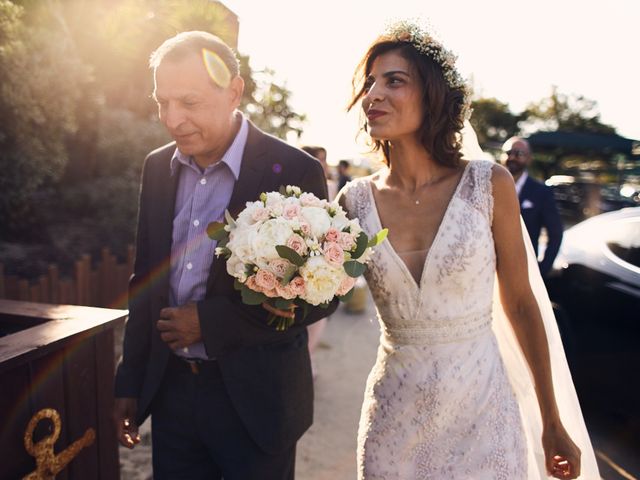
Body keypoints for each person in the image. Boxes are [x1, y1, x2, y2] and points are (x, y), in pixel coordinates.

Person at [338, 21, 599, 479]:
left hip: (483, 414)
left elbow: (520, 303)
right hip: (392, 419)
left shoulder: (487, 184)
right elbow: (324, 294)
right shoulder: (354, 202)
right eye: (369, 83)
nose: (373, 94)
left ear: (433, 95)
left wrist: (551, 420)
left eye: (393, 80)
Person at [113, 31, 337, 480]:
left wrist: (209, 323)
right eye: (162, 102)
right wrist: (130, 382)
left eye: (189, 102)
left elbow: (321, 297)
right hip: (173, 394)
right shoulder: (157, 168)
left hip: (258, 403)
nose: (173, 119)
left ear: (234, 91)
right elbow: (147, 281)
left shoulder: (294, 170)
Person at [501, 137, 564, 277]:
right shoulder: (489, 186)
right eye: (508, 152)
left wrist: (541, 271)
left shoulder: (541, 192)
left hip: (524, 271)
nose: (512, 157)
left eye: (518, 154)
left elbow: (555, 234)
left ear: (529, 159)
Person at [300, 146, 334, 377]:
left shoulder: (331, 186)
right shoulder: (299, 181)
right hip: (302, 256)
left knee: (318, 320)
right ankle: (303, 358)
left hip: (326, 257)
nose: (320, 163)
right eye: (316, 159)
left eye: (323, 159)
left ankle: (308, 356)